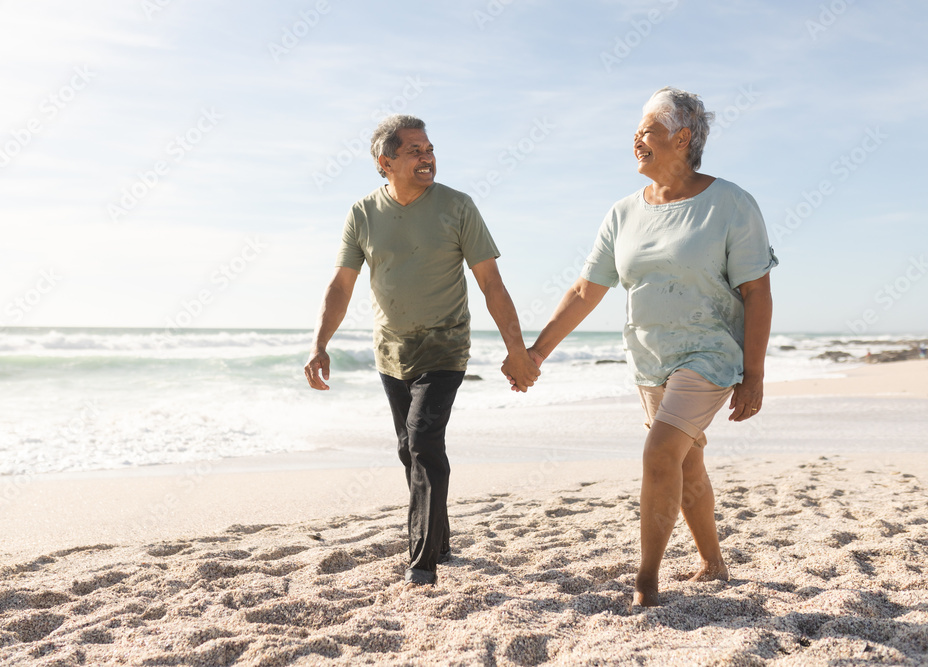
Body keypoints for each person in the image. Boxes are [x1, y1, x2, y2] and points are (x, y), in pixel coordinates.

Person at [506, 87, 777, 607]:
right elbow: (586, 290)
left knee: (658, 454)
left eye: (648, 129)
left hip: (711, 353)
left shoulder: (731, 204)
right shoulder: (623, 213)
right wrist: (536, 354)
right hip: (649, 360)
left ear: (682, 137)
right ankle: (713, 562)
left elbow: (756, 292)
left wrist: (755, 374)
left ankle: (646, 583)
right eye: (637, 128)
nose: (637, 138)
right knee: (685, 462)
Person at [305, 114, 540, 588]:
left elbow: (491, 284)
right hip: (390, 350)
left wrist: (518, 352)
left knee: (423, 440)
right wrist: (320, 344)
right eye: (414, 150)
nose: (427, 156)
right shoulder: (362, 213)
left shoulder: (458, 207)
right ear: (385, 161)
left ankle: (422, 563)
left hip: (445, 344)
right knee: (408, 449)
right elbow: (341, 284)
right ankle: (441, 541)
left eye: (429, 148)